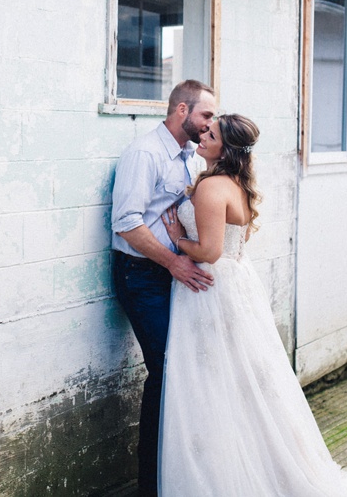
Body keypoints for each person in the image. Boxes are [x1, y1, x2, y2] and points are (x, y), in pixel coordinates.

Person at [158, 114, 347, 496]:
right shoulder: (235, 184)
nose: (203, 135)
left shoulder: (212, 187)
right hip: (235, 286)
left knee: (212, 384)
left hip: (209, 291)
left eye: (211, 134)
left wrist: (178, 240)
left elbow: (210, 251)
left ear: (226, 148)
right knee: (241, 384)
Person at [110, 79, 218, 497]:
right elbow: (127, 222)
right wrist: (174, 260)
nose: (211, 124)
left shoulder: (194, 158)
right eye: (206, 115)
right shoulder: (145, 154)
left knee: (187, 368)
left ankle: (181, 474)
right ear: (181, 112)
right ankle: (151, 484)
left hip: (176, 274)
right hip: (142, 277)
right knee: (168, 370)